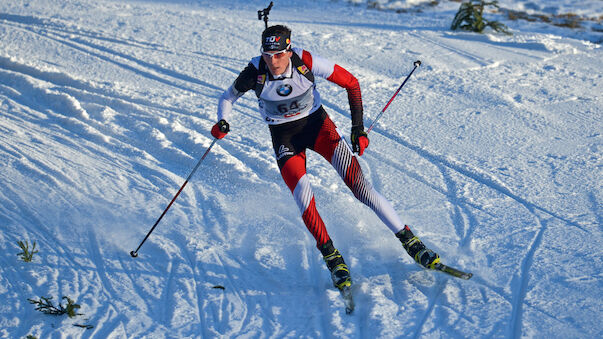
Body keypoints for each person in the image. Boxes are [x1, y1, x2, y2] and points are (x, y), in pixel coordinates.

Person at [211, 25, 439, 291]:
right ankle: (332, 258)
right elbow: (228, 97)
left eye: (278, 54)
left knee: (361, 188)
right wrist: (222, 122)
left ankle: (411, 242)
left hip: (318, 127)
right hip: (284, 138)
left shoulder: (305, 61)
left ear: (288, 49)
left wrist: (358, 129)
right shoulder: (254, 72)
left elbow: (351, 82)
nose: (272, 60)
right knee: (304, 197)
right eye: (267, 54)